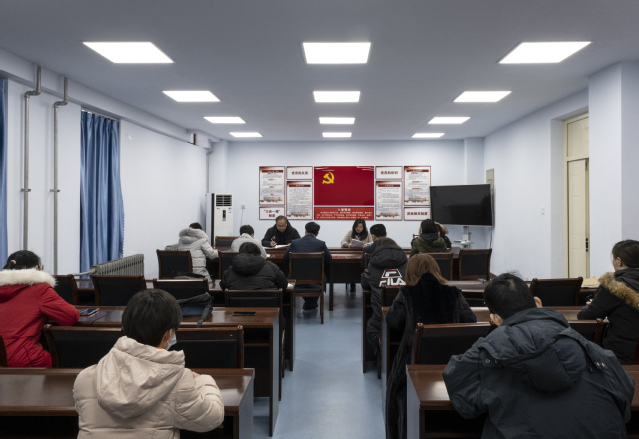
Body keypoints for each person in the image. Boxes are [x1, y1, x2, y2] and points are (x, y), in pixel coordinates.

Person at [444, 273, 634, 439]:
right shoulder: (590, 348)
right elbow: (624, 396)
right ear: (537, 303)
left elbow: (463, 398)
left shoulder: (488, 350)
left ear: (494, 319)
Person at [73, 289, 225, 438]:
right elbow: (213, 417)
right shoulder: (177, 382)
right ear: (167, 335)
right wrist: (203, 380)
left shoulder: (86, 377)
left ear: (125, 327)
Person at [385, 253, 476, 439]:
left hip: (414, 364)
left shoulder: (407, 293)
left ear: (410, 272)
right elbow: (471, 320)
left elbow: (393, 322)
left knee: (394, 388)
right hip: (451, 365)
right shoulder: (454, 293)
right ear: (436, 270)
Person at [0, 250, 79, 367]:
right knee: (65, 357)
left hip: (3, 358)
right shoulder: (40, 289)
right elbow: (71, 316)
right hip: (22, 359)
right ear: (37, 268)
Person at [578, 239, 639, 364]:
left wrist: (590, 305)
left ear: (619, 261)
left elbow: (586, 316)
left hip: (623, 354)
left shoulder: (614, 286)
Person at [361, 238, 407, 357]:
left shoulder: (373, 265)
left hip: (381, 321)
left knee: (371, 328)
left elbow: (364, 283)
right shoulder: (407, 263)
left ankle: (383, 355)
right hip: (406, 319)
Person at [284, 221, 332, 310]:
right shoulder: (321, 244)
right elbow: (329, 259)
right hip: (316, 278)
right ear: (317, 233)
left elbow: (285, 257)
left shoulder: (294, 243)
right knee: (320, 274)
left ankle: (310, 302)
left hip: (296, 278)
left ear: (305, 231)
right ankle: (311, 302)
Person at [220, 242, 288, 291]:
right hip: (268, 305)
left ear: (240, 253)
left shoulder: (231, 269)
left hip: (237, 306)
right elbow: (284, 285)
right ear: (258, 253)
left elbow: (223, 286)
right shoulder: (271, 266)